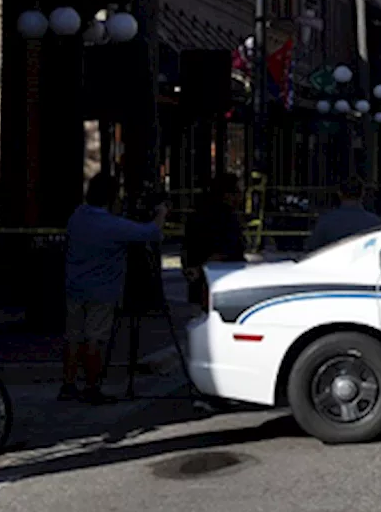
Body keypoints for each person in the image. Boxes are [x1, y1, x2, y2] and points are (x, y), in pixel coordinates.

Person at [61, 173, 167, 404]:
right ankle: (92, 387)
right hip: (102, 291)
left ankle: (68, 384)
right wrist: (160, 214)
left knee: (73, 338)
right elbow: (151, 233)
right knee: (94, 339)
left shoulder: (77, 217)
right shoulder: (112, 225)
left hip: (74, 286)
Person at [182, 173, 246, 304]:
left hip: (199, 279)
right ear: (227, 195)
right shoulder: (226, 218)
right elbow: (227, 249)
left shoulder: (197, 214)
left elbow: (186, 247)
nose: (241, 197)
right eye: (238, 192)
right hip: (221, 278)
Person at [306, 176, 381, 251]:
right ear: (363, 193)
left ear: (339, 193)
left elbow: (312, 248)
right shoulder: (374, 222)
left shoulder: (326, 221)